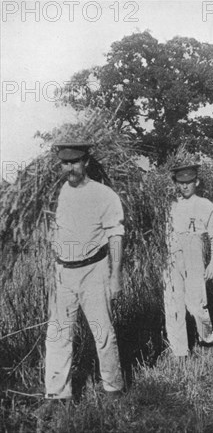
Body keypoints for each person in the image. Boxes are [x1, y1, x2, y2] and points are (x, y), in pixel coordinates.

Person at [40, 142, 124, 414]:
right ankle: (56, 396)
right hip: (63, 273)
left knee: (103, 332)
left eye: (75, 162)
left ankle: (113, 390)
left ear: (86, 162)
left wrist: (115, 275)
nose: (70, 168)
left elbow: (116, 235)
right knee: (57, 335)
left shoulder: (104, 195)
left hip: (94, 270)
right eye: (65, 163)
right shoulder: (57, 194)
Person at [163, 164, 213, 357]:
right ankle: (180, 351)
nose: (185, 186)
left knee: (197, 304)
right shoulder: (169, 205)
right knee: (174, 304)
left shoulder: (206, 205)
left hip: (195, 255)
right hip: (171, 257)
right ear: (176, 184)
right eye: (181, 183)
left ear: (196, 182)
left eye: (189, 182)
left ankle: (207, 341)